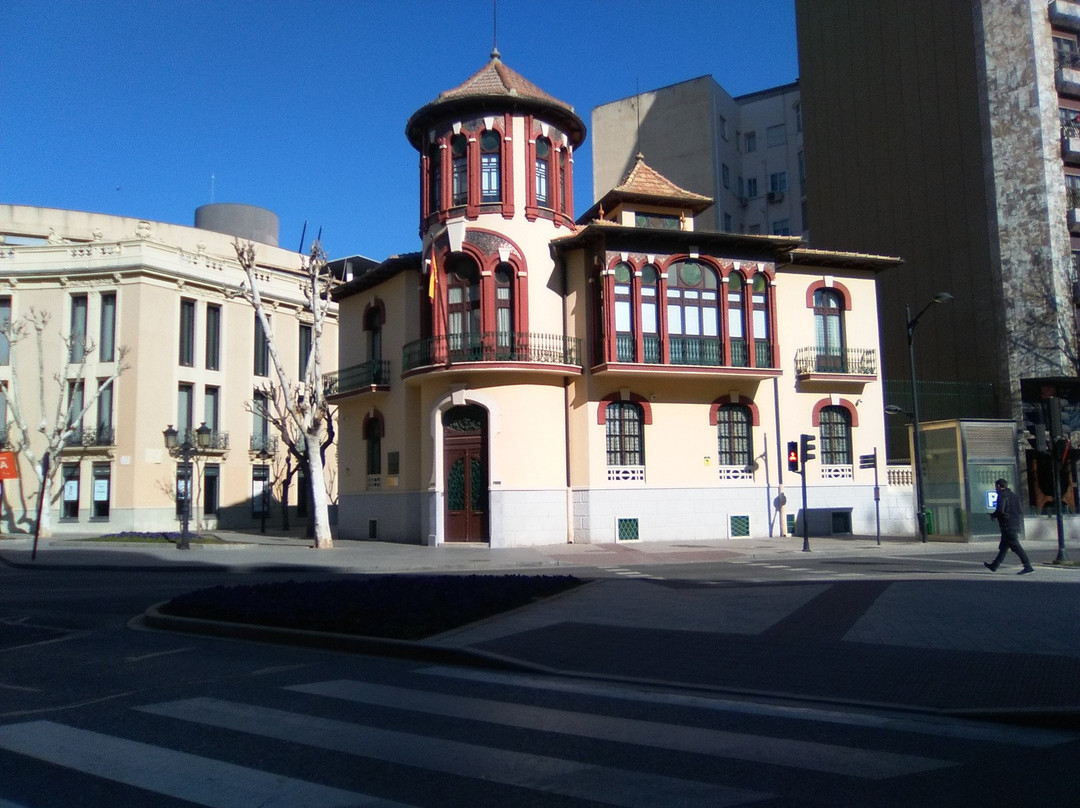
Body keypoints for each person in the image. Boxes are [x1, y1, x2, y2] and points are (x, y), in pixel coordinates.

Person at [985, 478, 1034, 574]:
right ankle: (994, 565)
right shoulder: (1014, 496)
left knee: (1016, 546)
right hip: (1014, 524)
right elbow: (1019, 511)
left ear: (999, 486)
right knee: (1004, 547)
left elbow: (1000, 510)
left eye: (996, 487)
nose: (995, 489)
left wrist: (993, 515)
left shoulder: (1002, 496)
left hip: (1007, 525)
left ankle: (1028, 566)